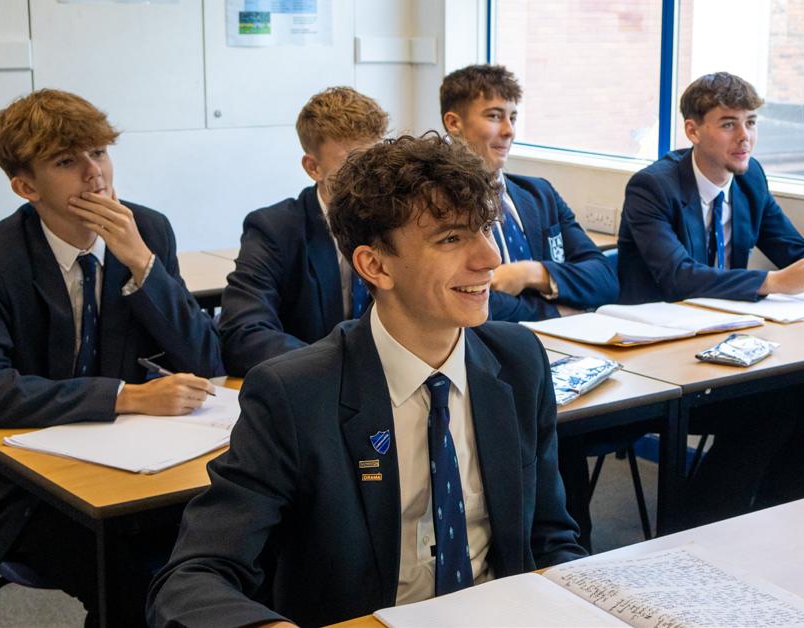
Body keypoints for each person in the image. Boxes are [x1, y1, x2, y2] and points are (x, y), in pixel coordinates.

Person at [147, 134, 586, 627]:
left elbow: (550, 536)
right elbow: (192, 578)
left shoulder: (518, 360)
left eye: (486, 229)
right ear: (374, 265)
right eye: (451, 238)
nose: (489, 258)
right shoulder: (295, 394)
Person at [0, 89, 223, 625]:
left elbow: (206, 358)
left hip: (137, 467)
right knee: (130, 582)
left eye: (100, 152)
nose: (95, 174)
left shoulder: (148, 230)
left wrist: (143, 264)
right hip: (26, 486)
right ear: (26, 187)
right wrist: (128, 397)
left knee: (228, 553)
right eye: (67, 162)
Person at [617, 72, 804, 527]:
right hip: (658, 356)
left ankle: (773, 515)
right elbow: (678, 277)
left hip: (722, 345)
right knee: (772, 405)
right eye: (729, 124)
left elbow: (790, 245)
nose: (744, 137)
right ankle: (697, 526)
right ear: (693, 130)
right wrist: (771, 283)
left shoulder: (749, 178)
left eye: (751, 122)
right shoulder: (653, 187)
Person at [219, 86, 389, 376]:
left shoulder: (398, 223)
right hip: (315, 384)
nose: (370, 178)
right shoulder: (274, 229)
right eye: (352, 164)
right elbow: (243, 334)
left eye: (377, 162)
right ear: (313, 167)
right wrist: (339, 366)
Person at [440, 64, 617, 323]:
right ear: (454, 123)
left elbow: (605, 279)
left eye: (512, 118)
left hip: (560, 341)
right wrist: (556, 313)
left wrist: (532, 273)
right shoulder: (438, 202)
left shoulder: (540, 195)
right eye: (494, 116)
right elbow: (467, 301)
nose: (509, 131)